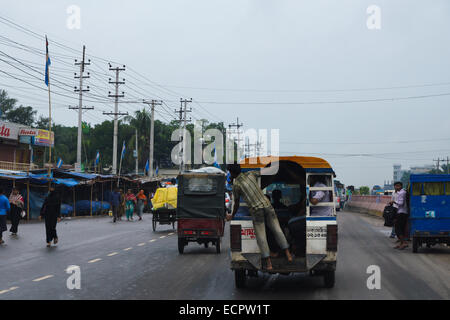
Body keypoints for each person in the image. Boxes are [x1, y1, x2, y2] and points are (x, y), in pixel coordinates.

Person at [226, 164, 293, 271]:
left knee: (261, 236)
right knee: (277, 229)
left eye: (229, 172)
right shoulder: (250, 174)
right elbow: (267, 172)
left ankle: (269, 263)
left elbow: (237, 204)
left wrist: (232, 215)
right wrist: (276, 164)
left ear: (232, 173)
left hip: (256, 210)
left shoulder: (236, 186)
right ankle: (288, 254)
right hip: (267, 205)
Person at [389, 182, 408, 249]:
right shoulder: (402, 192)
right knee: (401, 228)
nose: (397, 187)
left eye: (398, 186)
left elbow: (401, 203)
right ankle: (401, 243)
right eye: (396, 186)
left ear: (401, 186)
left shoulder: (401, 193)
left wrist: (394, 202)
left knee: (397, 228)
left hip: (401, 212)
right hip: (402, 212)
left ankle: (404, 243)